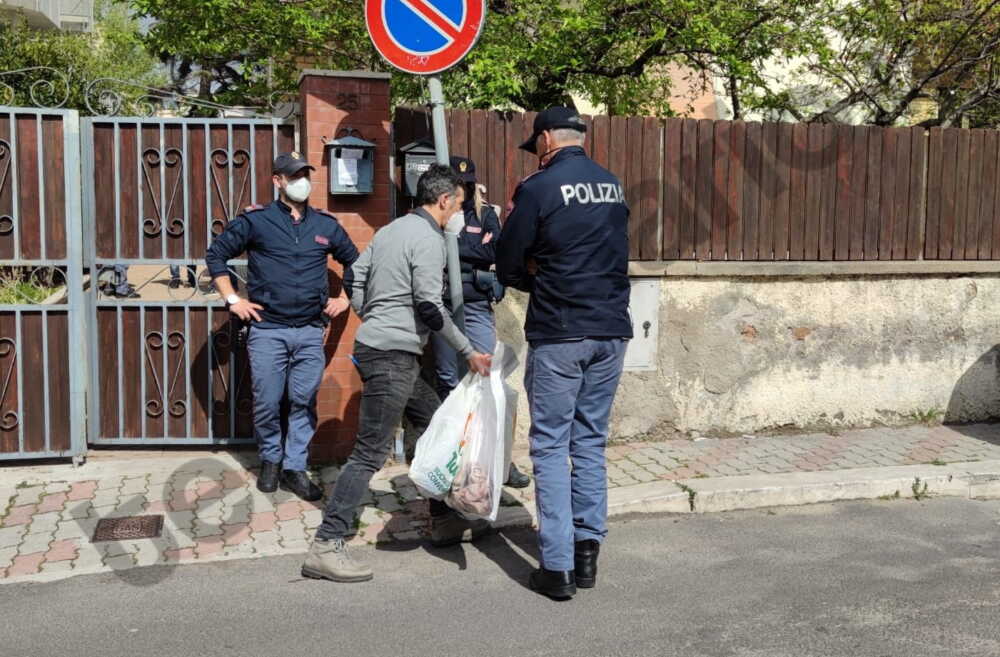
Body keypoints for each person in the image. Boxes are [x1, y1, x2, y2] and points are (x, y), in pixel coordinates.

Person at [302, 164, 493, 584]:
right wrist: (469, 351)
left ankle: (443, 520)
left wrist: (369, 315)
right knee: (370, 452)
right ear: (444, 200)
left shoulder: (390, 230)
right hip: (393, 354)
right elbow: (429, 306)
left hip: (378, 347)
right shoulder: (428, 239)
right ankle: (326, 544)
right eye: (458, 204)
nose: (459, 212)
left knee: (432, 423)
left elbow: (354, 275)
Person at [496, 107, 632, 600]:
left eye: (537, 144)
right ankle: (588, 550)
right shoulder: (612, 184)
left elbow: (507, 260)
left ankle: (556, 567)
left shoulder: (537, 188)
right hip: (612, 330)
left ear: (548, 138)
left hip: (560, 332)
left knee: (551, 445)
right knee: (590, 441)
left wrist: (533, 276)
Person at [205, 152, 359, 501]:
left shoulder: (324, 225)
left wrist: (346, 299)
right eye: (294, 175)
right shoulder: (255, 221)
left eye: (305, 174)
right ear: (278, 181)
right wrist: (233, 300)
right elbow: (215, 256)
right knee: (268, 400)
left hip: (308, 331)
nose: (302, 181)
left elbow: (354, 261)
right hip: (267, 330)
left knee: (303, 401)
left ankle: (295, 466)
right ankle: (271, 460)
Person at [429, 155, 531, 489]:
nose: (465, 189)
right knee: (447, 382)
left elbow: (496, 254)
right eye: (460, 185)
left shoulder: (486, 213)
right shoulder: (438, 213)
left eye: (469, 183)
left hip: (474, 307)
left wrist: (461, 255)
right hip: (443, 308)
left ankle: (499, 461)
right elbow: (437, 255)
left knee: (489, 381)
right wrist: (471, 257)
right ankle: (453, 457)